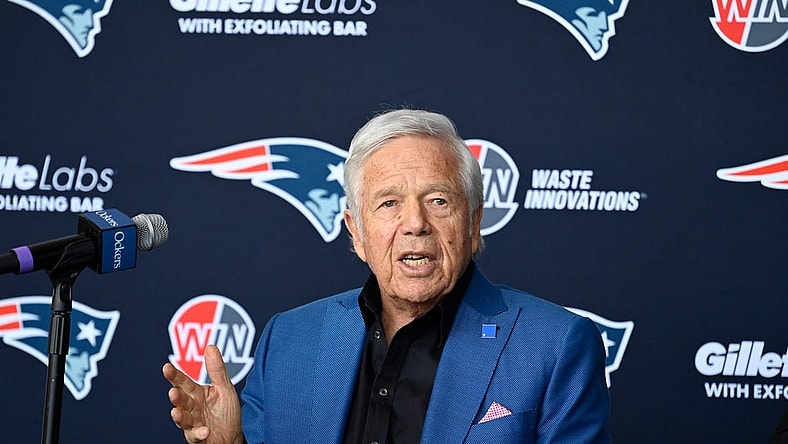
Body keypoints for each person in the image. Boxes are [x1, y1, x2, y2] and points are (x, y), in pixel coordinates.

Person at [163, 108, 611, 443]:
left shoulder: (555, 346)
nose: (415, 223)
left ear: (473, 224)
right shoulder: (290, 339)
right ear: (356, 233)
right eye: (388, 203)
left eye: (438, 200)